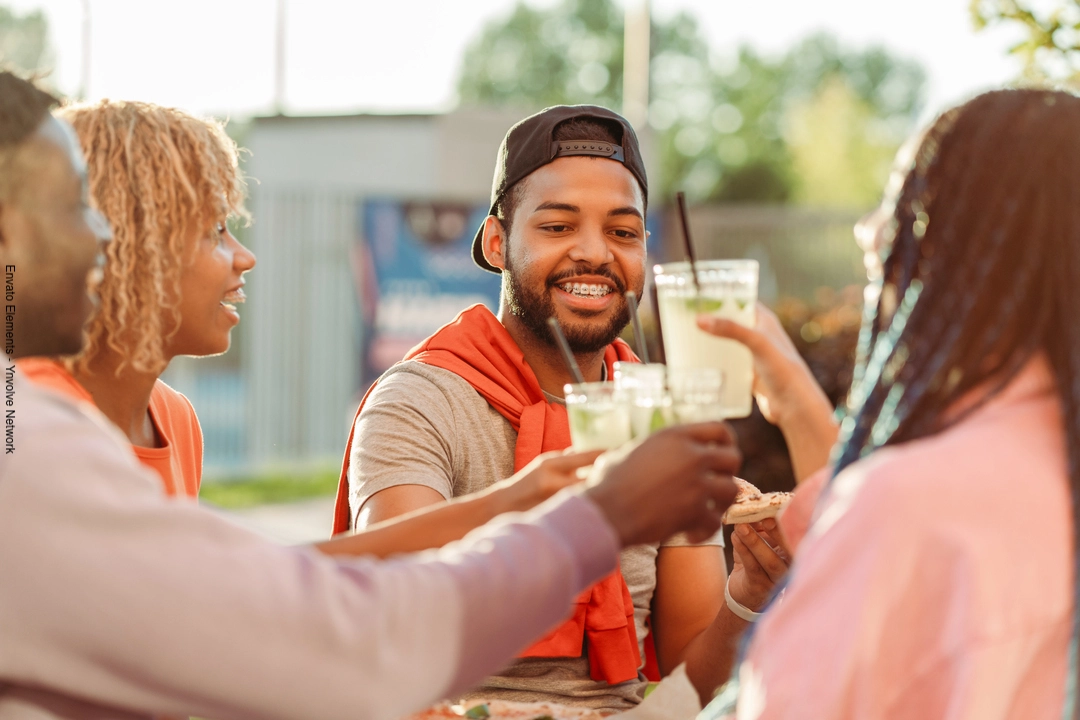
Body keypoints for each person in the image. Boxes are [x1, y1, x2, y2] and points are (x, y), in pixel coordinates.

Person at [0, 71, 745, 720]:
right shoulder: (27, 447)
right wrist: (598, 516)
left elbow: (240, 594)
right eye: (212, 228)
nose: (98, 240)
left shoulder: (145, 421)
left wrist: (511, 503)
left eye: (624, 231)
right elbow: (355, 639)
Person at [335, 105, 788, 710]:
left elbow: (692, 683)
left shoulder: (664, 416)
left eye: (623, 232)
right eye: (557, 227)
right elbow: (399, 625)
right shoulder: (420, 401)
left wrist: (749, 596)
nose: (595, 254)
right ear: (497, 242)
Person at [698, 88, 1079, 718]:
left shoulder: (910, 506)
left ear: (974, 250)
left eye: (906, 197)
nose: (869, 229)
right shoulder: (1032, 465)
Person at [16, 100, 255, 499]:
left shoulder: (176, 418)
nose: (246, 257)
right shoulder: (34, 417)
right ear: (137, 250)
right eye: (215, 230)